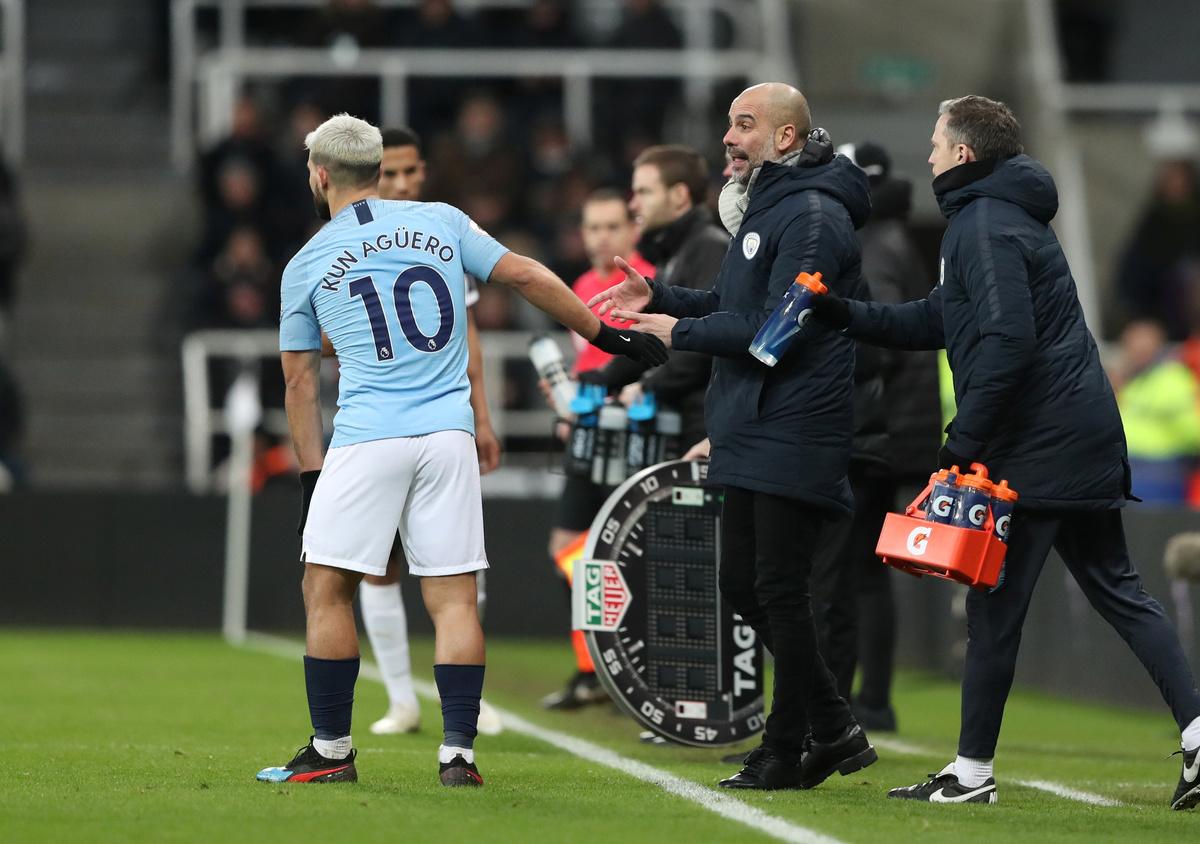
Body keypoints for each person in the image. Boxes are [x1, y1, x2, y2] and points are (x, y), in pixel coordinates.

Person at [810, 95, 1200, 809]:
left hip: (1038, 446)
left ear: (963, 153)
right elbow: (940, 318)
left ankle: (970, 774)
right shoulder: (999, 214)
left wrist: (965, 440)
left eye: (937, 142)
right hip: (1074, 434)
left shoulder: (982, 222)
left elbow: (1009, 339)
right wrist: (845, 314)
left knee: (994, 604)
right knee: (1118, 590)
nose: (930, 153)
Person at [257, 114, 666, 787]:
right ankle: (458, 756)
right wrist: (607, 335)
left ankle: (331, 752)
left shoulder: (306, 262)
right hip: (448, 436)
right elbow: (527, 275)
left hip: (367, 437)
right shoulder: (442, 221)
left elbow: (300, 382)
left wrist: (311, 476)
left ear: (320, 176)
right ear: (378, 169)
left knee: (326, 590)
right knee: (452, 600)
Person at [590, 82, 878, 791]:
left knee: (778, 589)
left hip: (795, 423)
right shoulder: (770, 206)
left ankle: (785, 748)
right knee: (745, 584)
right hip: (752, 421)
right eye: (729, 123)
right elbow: (735, 304)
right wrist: (663, 297)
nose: (728, 137)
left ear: (785, 138)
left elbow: (776, 330)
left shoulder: (813, 216)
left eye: (744, 125)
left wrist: (679, 331)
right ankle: (833, 726)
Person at [349, 126, 503, 736]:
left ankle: (467, 699)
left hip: (444, 424)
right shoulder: (349, 241)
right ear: (371, 178)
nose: (404, 183)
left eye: (412, 171)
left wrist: (482, 417)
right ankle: (401, 701)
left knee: (458, 564)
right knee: (379, 566)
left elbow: (469, 335)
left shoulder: (442, 234)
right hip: (378, 426)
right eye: (391, 173)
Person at [541, 189, 655, 710]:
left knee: (630, 554)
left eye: (612, 226)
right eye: (592, 227)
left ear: (633, 230)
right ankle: (596, 668)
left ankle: (630, 666)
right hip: (590, 435)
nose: (602, 237)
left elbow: (664, 352)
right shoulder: (583, 287)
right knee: (570, 549)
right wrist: (567, 401)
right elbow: (589, 364)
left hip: (638, 434)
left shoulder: (651, 280)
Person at [1109, 318, 1200, 505]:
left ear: (1158, 346)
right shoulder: (1131, 379)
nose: (1138, 352)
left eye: (1144, 346)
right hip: (1127, 467)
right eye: (1133, 345)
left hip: (1160, 471)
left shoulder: (1172, 378)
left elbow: (1192, 431)